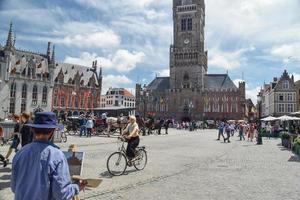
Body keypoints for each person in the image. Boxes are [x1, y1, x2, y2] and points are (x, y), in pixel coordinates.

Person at [11, 112, 87, 200]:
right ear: (53, 131)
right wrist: (77, 187)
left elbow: (14, 187)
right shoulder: (57, 156)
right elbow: (60, 194)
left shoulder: (21, 152)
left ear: (33, 130)